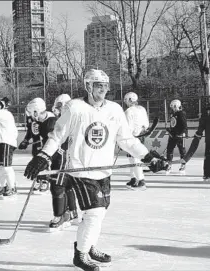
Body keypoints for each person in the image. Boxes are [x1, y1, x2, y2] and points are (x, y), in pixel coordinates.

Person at [23, 69, 168, 271]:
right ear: (88, 86)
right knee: (94, 212)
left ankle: (88, 246)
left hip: (103, 171)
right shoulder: (75, 108)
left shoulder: (115, 110)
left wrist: (149, 157)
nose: (103, 89)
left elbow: (126, 140)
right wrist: (43, 156)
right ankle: (80, 255)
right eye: (99, 85)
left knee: (100, 213)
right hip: (81, 170)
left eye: (106, 85)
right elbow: (57, 136)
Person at [49, 93, 79, 232]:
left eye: (58, 107)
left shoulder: (67, 117)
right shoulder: (70, 116)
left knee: (57, 186)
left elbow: (60, 140)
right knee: (67, 186)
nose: (56, 110)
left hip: (62, 156)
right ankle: (71, 213)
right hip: (67, 156)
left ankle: (59, 217)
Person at [18, 97, 55, 195]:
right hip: (36, 143)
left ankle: (45, 180)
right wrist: (26, 140)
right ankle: (39, 179)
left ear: (36, 111)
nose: (29, 115)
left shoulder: (51, 120)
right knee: (36, 160)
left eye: (31, 112)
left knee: (44, 161)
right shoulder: (32, 117)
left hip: (46, 145)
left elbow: (53, 138)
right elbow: (31, 130)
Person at [0, 97, 18, 199]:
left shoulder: (5, 114)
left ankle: (12, 187)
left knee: (6, 166)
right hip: (1, 143)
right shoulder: (3, 114)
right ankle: (5, 186)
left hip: (6, 142)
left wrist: (0, 104)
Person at [123, 92, 149, 190]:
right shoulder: (142, 109)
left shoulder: (128, 111)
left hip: (133, 137)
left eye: (126, 100)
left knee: (134, 158)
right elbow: (146, 124)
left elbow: (128, 128)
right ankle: (133, 178)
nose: (125, 102)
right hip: (142, 135)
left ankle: (141, 180)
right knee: (133, 158)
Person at [165, 99, 188, 175]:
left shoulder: (181, 114)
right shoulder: (173, 114)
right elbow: (173, 124)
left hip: (179, 136)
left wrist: (182, 133)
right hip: (173, 136)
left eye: (173, 107)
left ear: (176, 106)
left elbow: (184, 125)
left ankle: (183, 165)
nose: (172, 109)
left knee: (182, 150)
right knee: (169, 150)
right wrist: (170, 130)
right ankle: (169, 164)